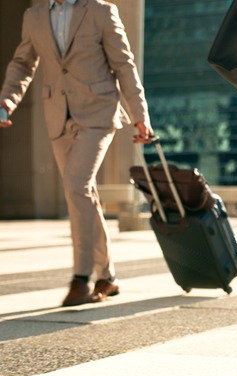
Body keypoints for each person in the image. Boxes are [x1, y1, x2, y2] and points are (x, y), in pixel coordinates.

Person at [0, 0, 154, 306]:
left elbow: (124, 64)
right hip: (58, 114)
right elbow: (23, 63)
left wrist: (140, 116)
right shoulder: (35, 16)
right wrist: (6, 101)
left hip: (98, 113)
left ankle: (81, 278)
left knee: (77, 186)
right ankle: (107, 276)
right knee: (81, 192)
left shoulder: (100, 12)